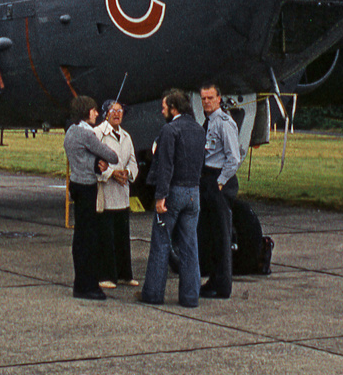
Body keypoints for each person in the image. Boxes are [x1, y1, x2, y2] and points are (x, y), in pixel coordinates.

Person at [139, 89, 203, 307]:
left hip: (174, 192)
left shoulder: (170, 130)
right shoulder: (198, 129)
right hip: (194, 192)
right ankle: (190, 296)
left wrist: (160, 196)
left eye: (165, 107)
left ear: (174, 108)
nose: (162, 110)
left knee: (161, 243)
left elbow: (166, 166)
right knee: (190, 246)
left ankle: (153, 294)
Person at [64, 95, 118, 300]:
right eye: (94, 110)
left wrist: (94, 162)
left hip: (76, 184)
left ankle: (82, 282)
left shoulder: (70, 131)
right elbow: (112, 156)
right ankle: (87, 285)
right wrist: (100, 159)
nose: (97, 113)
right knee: (89, 238)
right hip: (87, 188)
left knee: (80, 237)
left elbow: (80, 157)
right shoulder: (87, 135)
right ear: (87, 112)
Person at [198, 83, 241, 299]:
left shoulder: (224, 123)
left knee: (222, 236)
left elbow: (234, 158)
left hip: (218, 180)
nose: (206, 101)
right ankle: (213, 280)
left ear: (219, 98)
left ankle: (223, 286)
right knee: (211, 235)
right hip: (207, 178)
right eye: (203, 98)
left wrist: (221, 182)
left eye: (210, 98)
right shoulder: (208, 122)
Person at [94, 100, 138, 288]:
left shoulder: (126, 136)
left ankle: (124, 275)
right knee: (106, 236)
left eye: (120, 111)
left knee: (122, 236)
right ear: (106, 113)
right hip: (106, 191)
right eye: (113, 111)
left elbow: (133, 161)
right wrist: (111, 173)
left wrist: (128, 173)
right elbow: (94, 162)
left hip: (122, 191)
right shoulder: (97, 134)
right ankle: (106, 275)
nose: (117, 114)